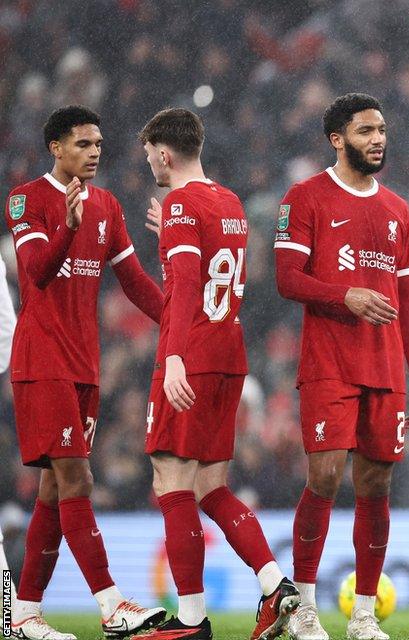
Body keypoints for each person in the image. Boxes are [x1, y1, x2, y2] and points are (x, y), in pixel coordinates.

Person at [134, 107, 299, 640]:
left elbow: (184, 283)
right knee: (211, 486)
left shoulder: (182, 203)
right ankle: (276, 585)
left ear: (163, 153)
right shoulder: (227, 202)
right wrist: (172, 230)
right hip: (230, 355)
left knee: (171, 480)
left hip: (193, 355)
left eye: (148, 157)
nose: (149, 167)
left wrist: (175, 355)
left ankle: (191, 621)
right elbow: (211, 264)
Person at [4, 105, 166, 640]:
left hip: (85, 367)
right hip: (42, 360)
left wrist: (184, 322)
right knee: (78, 478)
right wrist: (68, 229)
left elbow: (135, 281)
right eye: (83, 143)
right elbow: (36, 273)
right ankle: (112, 604)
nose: (95, 151)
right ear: (56, 147)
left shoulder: (106, 205)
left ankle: (25, 614)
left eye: (98, 143)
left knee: (54, 491)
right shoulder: (26, 199)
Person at [274, 93, 409, 640]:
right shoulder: (306, 196)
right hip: (329, 364)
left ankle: (364, 615)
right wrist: (347, 296)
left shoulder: (398, 210)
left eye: (382, 129)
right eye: (366, 131)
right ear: (338, 139)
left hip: (386, 369)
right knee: (324, 478)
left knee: (376, 486)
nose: (378, 139)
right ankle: (305, 610)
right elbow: (288, 279)